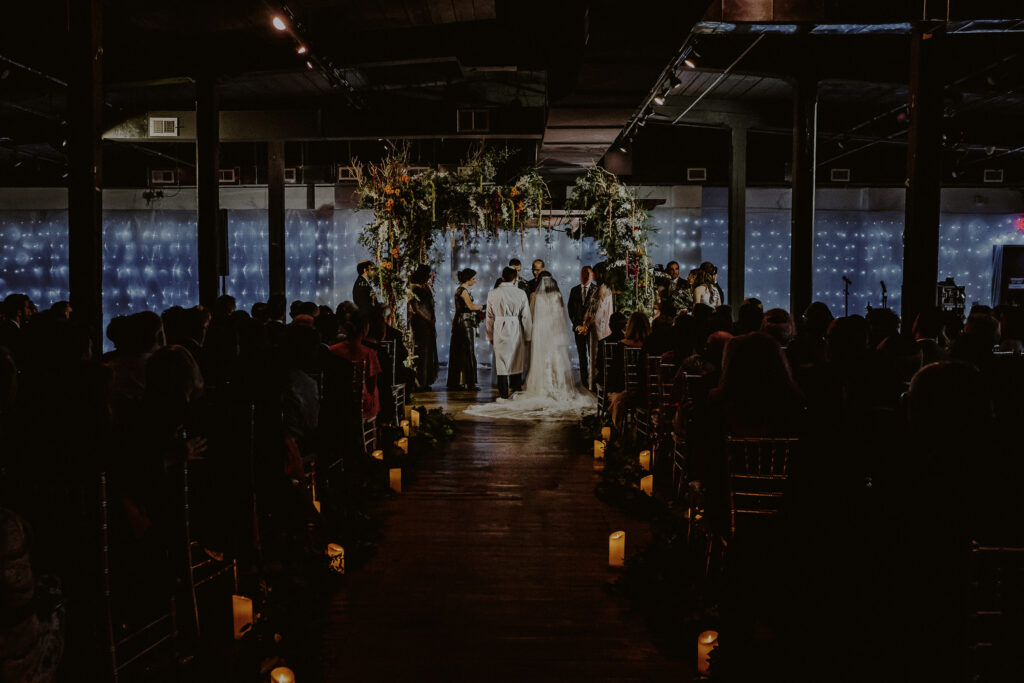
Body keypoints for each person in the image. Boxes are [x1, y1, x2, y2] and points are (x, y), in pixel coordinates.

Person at [467, 272, 595, 420]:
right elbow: (552, 317)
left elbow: (531, 315)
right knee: (550, 360)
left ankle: (522, 390)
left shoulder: (533, 296)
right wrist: (528, 333)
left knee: (506, 362)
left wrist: (530, 334)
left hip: (538, 334)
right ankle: (556, 386)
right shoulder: (556, 296)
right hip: (554, 335)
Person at [483, 266, 532, 399]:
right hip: (515, 327)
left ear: (502, 277)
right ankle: (515, 391)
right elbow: (526, 316)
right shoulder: (521, 293)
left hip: (499, 327)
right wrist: (528, 335)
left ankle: (503, 394)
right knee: (516, 359)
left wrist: (489, 336)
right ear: (515, 278)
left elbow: (489, 317)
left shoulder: (492, 293)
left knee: (501, 362)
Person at [447, 268, 483, 390]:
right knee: (468, 350)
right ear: (468, 279)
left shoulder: (460, 290)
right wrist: (484, 306)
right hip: (464, 322)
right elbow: (471, 306)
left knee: (460, 352)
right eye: (473, 279)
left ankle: (458, 381)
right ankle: (470, 383)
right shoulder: (463, 291)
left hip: (459, 322)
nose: (475, 281)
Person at [581, 263, 614, 390]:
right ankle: (593, 383)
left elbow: (601, 312)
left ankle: (598, 384)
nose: (592, 275)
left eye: (594, 272)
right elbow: (592, 309)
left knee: (597, 356)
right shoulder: (598, 288)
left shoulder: (605, 290)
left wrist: (590, 323)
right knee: (593, 356)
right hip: (594, 327)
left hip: (601, 328)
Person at [408, 264, 439, 390]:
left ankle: (426, 381)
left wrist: (432, 319)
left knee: (428, 351)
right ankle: (420, 381)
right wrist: (428, 319)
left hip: (428, 322)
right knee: (422, 352)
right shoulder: (415, 289)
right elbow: (417, 308)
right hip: (421, 323)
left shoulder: (425, 288)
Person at [568, 266, 596, 385]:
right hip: (578, 329)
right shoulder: (574, 290)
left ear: (591, 275)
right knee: (582, 355)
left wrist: (587, 326)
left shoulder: (596, 290)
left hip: (591, 329)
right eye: (583, 274)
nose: (585, 276)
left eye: (587, 274)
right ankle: (584, 380)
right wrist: (577, 326)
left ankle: (593, 380)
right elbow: (571, 310)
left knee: (592, 355)